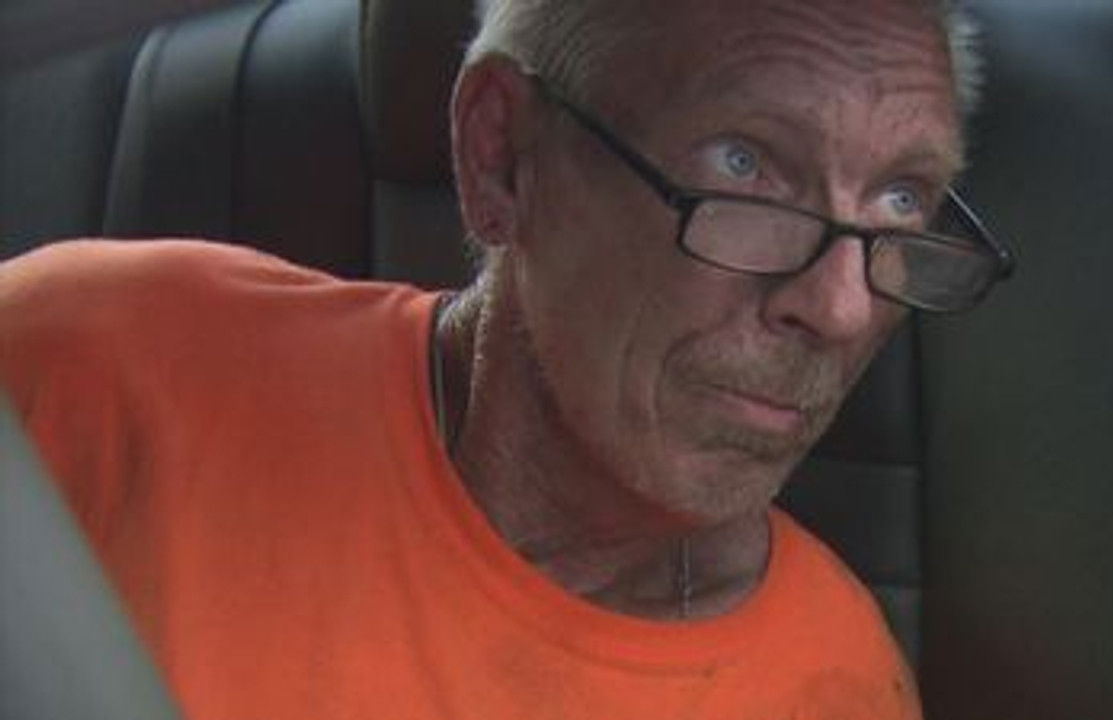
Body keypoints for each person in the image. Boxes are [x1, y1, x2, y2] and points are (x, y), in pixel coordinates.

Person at [0, 0, 1011, 717]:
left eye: (901, 199)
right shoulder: (95, 357)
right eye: (743, 164)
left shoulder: (832, 682)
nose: (840, 307)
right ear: (502, 158)